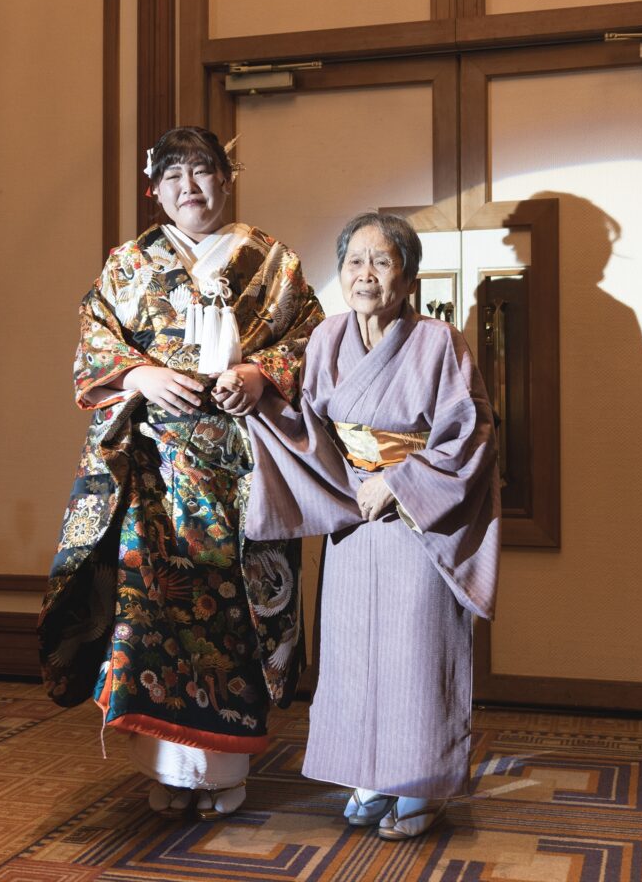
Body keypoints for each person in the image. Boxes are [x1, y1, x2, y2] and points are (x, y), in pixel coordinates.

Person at [38, 126, 323, 819]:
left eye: (202, 171)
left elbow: (311, 338)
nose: (189, 187)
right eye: (173, 176)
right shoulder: (129, 263)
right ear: (153, 190)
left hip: (243, 471)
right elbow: (94, 341)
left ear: (227, 178)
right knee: (151, 613)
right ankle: (165, 768)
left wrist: (259, 375)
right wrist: (141, 375)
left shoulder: (272, 262)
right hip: (153, 473)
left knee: (234, 617)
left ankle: (224, 771)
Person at [232, 212, 500, 841]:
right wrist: (260, 402)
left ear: (408, 277)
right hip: (354, 513)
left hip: (416, 518)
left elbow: (471, 434)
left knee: (416, 650)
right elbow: (306, 424)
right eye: (355, 261)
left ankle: (421, 783)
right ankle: (369, 774)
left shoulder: (440, 342)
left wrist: (400, 483)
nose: (366, 274)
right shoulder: (327, 337)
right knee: (353, 651)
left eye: (382, 261)